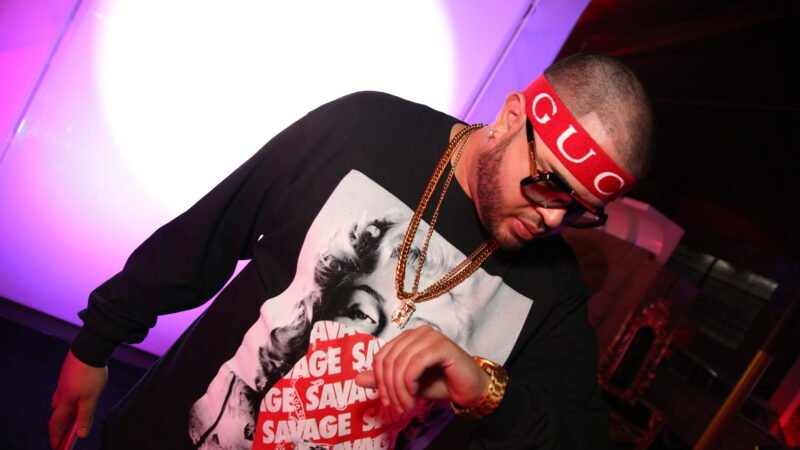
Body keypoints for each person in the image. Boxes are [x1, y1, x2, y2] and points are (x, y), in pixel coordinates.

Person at [49, 52, 654, 449]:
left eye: (581, 209)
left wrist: (487, 391)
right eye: (548, 183)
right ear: (511, 117)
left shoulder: (552, 288)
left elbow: (579, 437)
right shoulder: (366, 130)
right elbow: (213, 230)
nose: (554, 217)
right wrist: (97, 340)